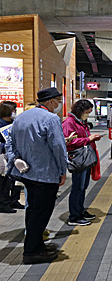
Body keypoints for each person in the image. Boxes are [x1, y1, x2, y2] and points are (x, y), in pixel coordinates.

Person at [7, 88, 67, 264]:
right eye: (58, 101)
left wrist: (15, 159)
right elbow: (58, 147)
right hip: (45, 173)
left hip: (27, 173)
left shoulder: (21, 117)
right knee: (41, 213)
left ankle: (37, 245)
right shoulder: (51, 119)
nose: (59, 104)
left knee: (33, 210)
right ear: (50, 101)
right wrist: (62, 170)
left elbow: (10, 141)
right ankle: (32, 252)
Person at [63, 100, 103, 226]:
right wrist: (88, 139)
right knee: (78, 187)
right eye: (87, 112)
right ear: (80, 111)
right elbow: (68, 141)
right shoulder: (69, 122)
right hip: (78, 159)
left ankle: (80, 210)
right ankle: (74, 216)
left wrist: (91, 138)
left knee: (83, 187)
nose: (88, 115)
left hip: (85, 158)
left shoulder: (81, 121)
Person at [0, 101, 23, 213]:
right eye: (14, 110)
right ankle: (3, 203)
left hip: (15, 154)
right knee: (5, 181)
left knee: (16, 179)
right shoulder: (1, 124)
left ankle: (14, 200)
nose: (15, 112)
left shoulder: (15, 122)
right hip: (3, 156)